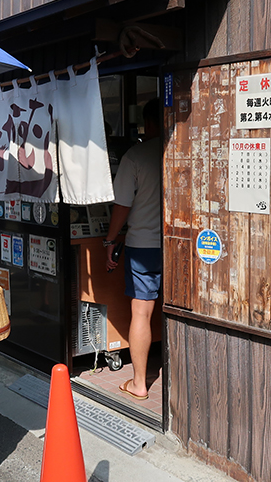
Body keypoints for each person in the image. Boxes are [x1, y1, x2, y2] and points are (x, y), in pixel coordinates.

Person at [104, 97, 162, 401]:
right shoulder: (182, 148)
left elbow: (122, 205)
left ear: (148, 123)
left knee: (142, 312)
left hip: (143, 245)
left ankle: (139, 383)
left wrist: (110, 240)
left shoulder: (135, 157)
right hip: (180, 245)